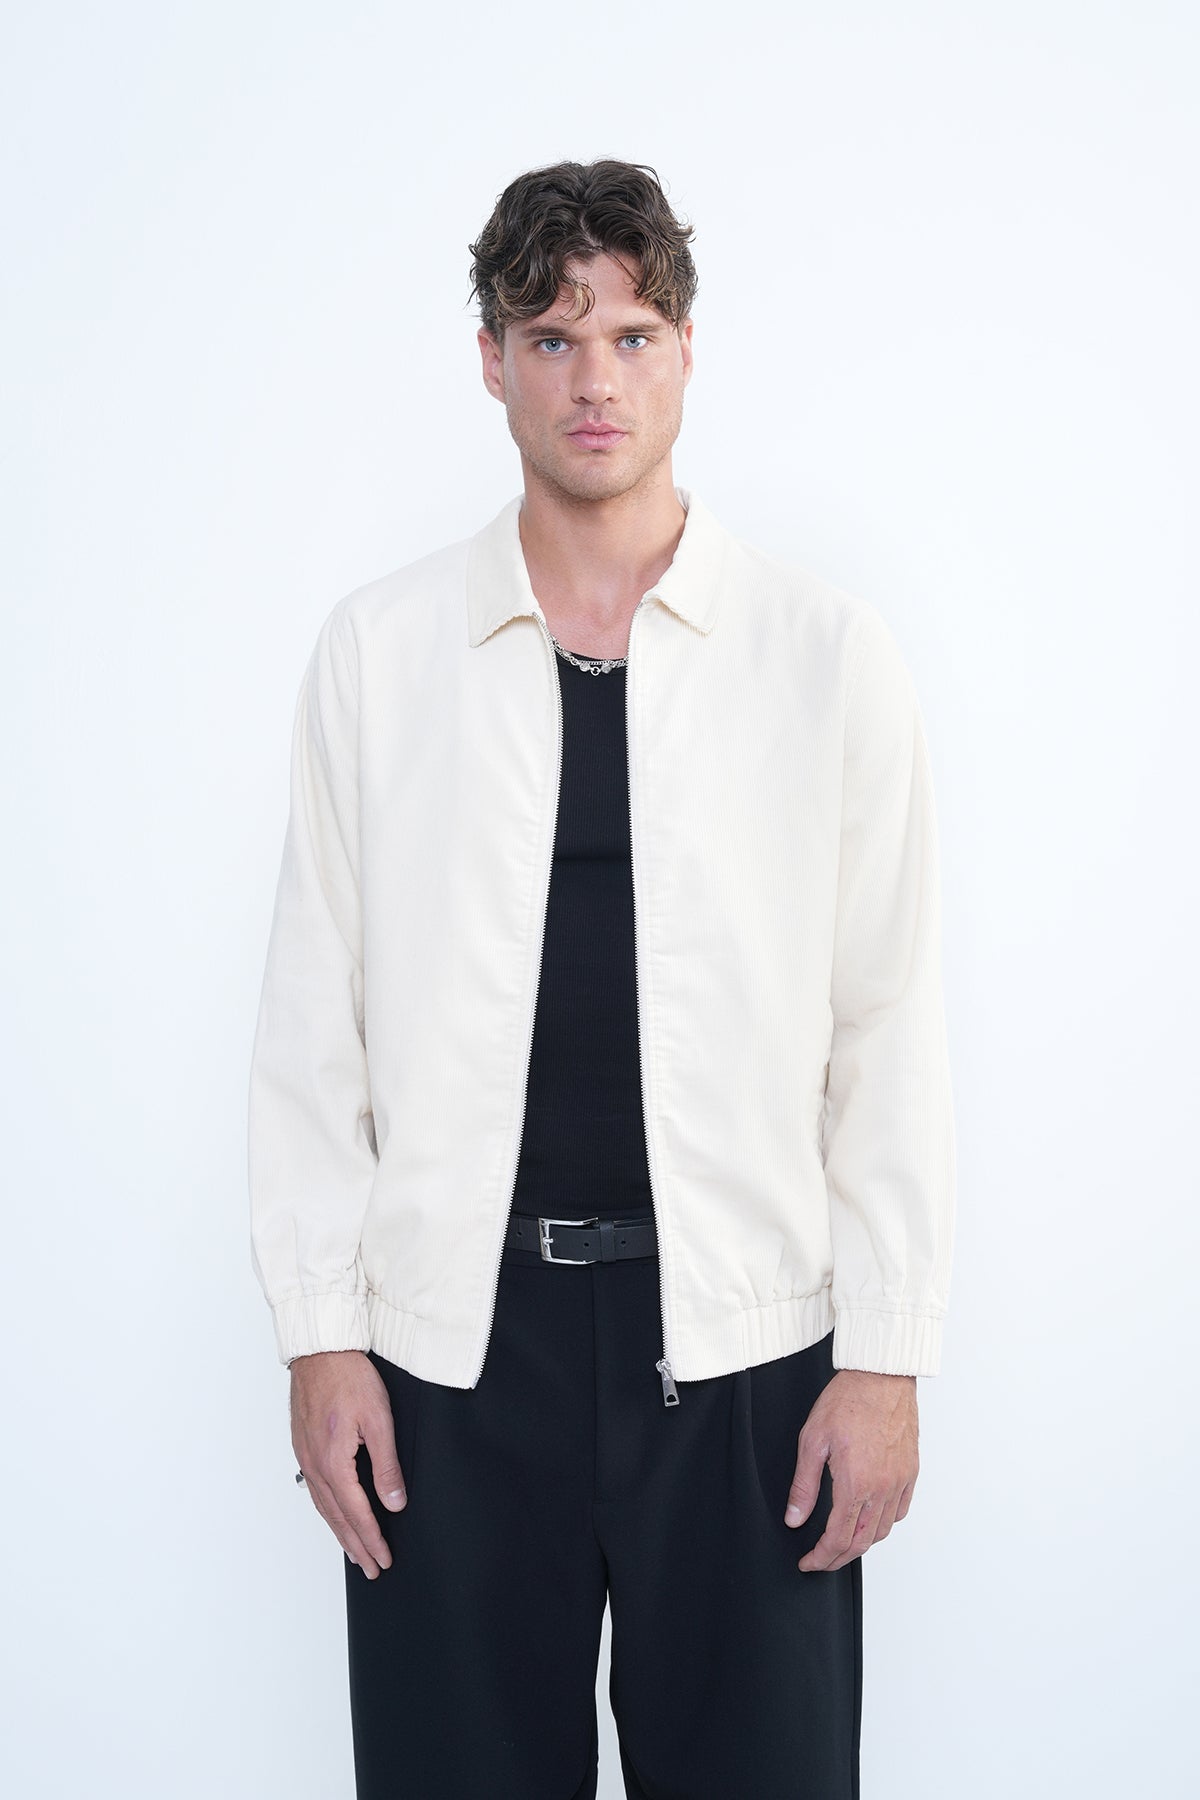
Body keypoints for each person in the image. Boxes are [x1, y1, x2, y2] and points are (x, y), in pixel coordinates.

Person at [248, 158, 956, 1800]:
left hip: (748, 1344)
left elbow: (888, 1022)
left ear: (689, 354)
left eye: (633, 336)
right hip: (453, 1349)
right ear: (490, 361)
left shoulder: (822, 656)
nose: (595, 381)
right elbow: (310, 1025)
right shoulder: (381, 656)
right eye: (552, 339)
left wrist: (887, 1355)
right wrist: (322, 1338)